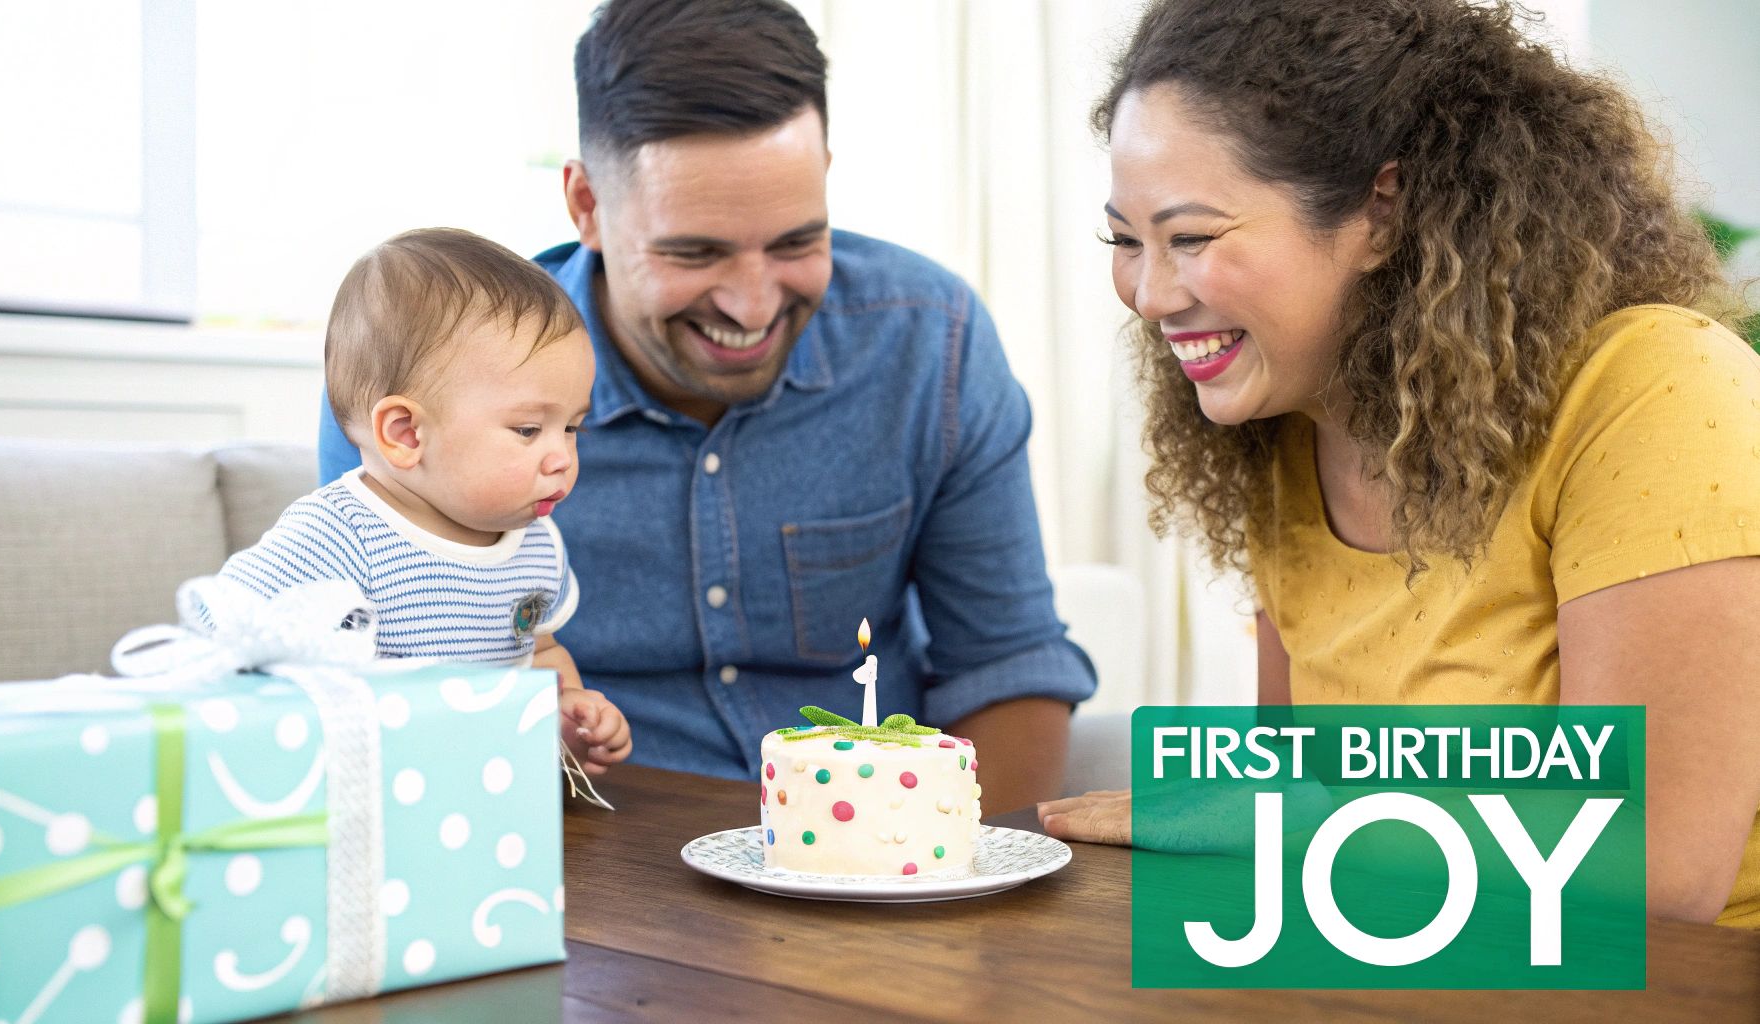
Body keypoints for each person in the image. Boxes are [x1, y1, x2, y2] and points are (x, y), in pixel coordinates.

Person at [1038, 0, 1760, 927]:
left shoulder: (1656, 391)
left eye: (1190, 238)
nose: (1148, 293)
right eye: (1125, 242)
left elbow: (1654, 870)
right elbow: (1286, 820)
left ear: (1382, 212)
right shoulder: (1283, 440)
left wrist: (1293, 821)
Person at [316, 0, 1096, 814]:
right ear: (585, 205)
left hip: (871, 865)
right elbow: (378, 704)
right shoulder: (426, 383)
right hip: (579, 867)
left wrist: (960, 880)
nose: (754, 305)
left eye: (796, 242)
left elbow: (1007, 667)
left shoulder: (931, 344)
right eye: (695, 252)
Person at [226, 227, 632, 774]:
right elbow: (229, 631)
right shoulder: (338, 536)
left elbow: (540, 653)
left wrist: (567, 720)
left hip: (487, 798)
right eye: (530, 429)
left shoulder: (535, 544)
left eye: (573, 429)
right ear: (407, 434)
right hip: (368, 796)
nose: (562, 457)